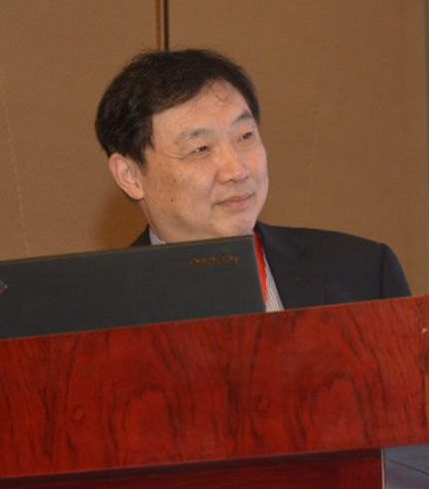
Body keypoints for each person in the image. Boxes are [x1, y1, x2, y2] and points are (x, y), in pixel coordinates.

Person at [95, 49, 410, 311]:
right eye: (200, 149)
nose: (237, 170)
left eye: (245, 136)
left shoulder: (364, 273)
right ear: (130, 175)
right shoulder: (93, 308)